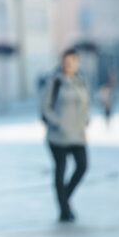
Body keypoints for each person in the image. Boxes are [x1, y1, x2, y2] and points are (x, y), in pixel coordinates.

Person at [41, 48, 90, 223]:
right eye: (66, 61)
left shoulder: (81, 81)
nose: (69, 65)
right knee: (60, 170)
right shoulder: (55, 81)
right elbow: (45, 108)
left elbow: (85, 104)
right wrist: (58, 123)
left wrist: (85, 121)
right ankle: (63, 210)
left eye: (72, 61)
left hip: (77, 134)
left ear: (77, 62)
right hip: (58, 137)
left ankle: (65, 200)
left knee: (82, 166)